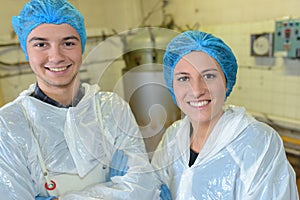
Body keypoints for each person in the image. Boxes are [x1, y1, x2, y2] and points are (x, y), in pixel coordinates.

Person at [0, 0, 161, 199]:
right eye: (41, 44)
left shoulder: (112, 109)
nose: (56, 56)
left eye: (68, 43)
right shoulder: (8, 125)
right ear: (26, 51)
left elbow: (143, 187)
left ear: (82, 47)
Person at [151, 30, 299, 199]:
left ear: (226, 82)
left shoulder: (259, 143)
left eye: (208, 76)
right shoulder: (173, 137)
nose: (197, 90)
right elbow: (153, 187)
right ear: (172, 87)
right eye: (184, 78)